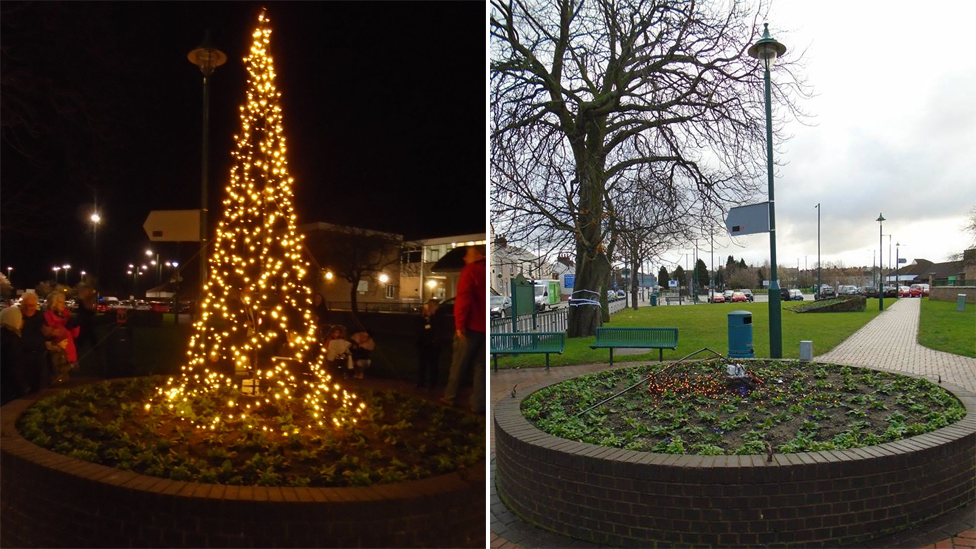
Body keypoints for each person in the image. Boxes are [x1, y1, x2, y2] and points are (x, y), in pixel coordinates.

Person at [442, 245, 486, 413]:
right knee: (480, 367)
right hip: (484, 329)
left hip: (470, 326)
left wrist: (459, 325)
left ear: (477, 255)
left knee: (459, 364)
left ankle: (450, 397)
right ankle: (478, 404)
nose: (464, 258)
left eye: (467, 255)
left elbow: (463, 299)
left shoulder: (470, 270)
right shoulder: (483, 270)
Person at [43, 292, 79, 383]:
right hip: (59, 355)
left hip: (70, 351)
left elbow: (74, 335)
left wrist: (75, 325)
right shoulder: (48, 317)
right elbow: (53, 335)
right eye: (60, 302)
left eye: (64, 302)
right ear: (53, 304)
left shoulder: (67, 316)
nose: (64, 304)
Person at [19, 293, 49, 392]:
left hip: (37, 355)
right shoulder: (17, 316)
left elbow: (45, 333)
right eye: (25, 305)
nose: (28, 308)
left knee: (36, 385)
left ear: (36, 305)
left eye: (31, 305)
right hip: (20, 355)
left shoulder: (40, 317)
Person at [1, 306, 30, 405]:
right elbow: (15, 366)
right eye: (20, 318)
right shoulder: (13, 340)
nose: (23, 321)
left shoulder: (3, 335)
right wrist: (23, 387)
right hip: (9, 387)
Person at [74, 284, 104, 376]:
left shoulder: (87, 300)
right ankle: (73, 363)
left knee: (94, 346)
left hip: (89, 327)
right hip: (83, 327)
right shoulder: (82, 302)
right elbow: (88, 309)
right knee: (79, 347)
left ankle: (99, 365)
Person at [415, 299, 441, 389]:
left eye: (432, 305)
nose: (429, 307)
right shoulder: (424, 315)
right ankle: (420, 382)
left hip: (433, 344)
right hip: (423, 343)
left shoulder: (438, 315)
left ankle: (432, 384)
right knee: (422, 364)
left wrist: (431, 316)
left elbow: (437, 327)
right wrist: (423, 314)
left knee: (433, 364)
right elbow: (418, 325)